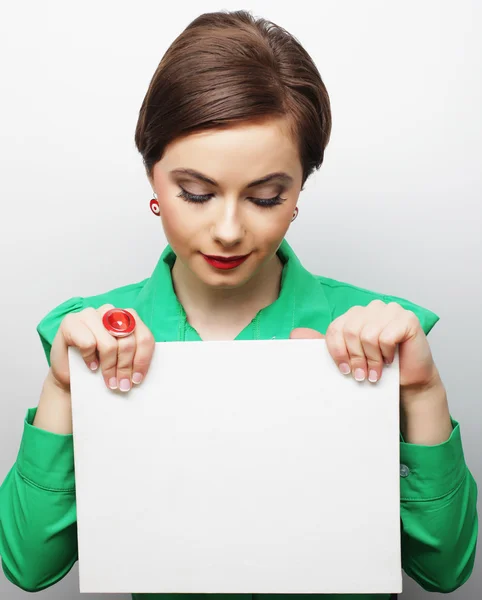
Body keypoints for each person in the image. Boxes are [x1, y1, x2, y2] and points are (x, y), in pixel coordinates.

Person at [0, 9, 478, 600]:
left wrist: (421, 393)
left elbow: (445, 570)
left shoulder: (385, 333)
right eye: (196, 193)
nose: (227, 230)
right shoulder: (90, 334)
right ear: (153, 177)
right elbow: (29, 567)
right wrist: (66, 388)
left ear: (300, 189)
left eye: (266, 196)